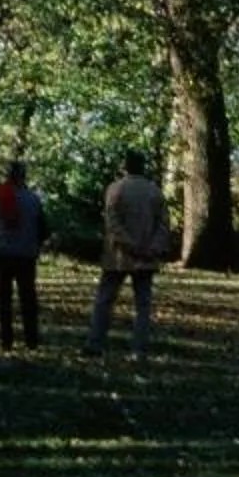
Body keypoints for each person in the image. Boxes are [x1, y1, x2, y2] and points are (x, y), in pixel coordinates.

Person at [86, 149, 174, 360]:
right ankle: (139, 348)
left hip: (118, 256)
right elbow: (164, 224)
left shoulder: (116, 189)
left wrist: (129, 244)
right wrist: (152, 247)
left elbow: (112, 223)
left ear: (124, 166)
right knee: (143, 305)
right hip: (147, 257)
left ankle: (96, 343)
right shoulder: (154, 191)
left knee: (105, 300)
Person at [0, 157, 47, 350]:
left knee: (4, 299)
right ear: (24, 177)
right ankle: (31, 340)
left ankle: (7, 340)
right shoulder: (34, 199)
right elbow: (44, 228)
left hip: (3, 253)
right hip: (26, 254)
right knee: (28, 298)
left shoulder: (1, 195)